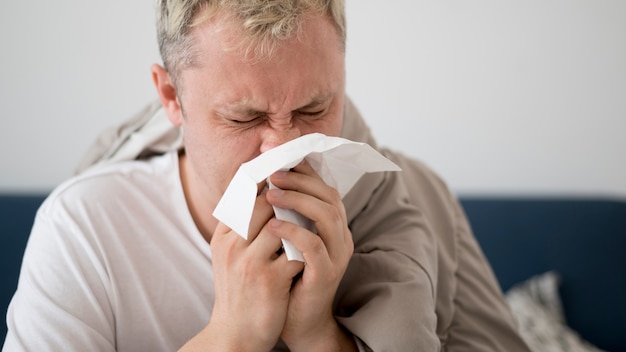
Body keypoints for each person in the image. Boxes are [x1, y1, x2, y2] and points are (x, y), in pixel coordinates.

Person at [4, 1, 531, 351]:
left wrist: (321, 335)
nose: (283, 149)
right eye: (244, 118)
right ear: (170, 97)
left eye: (316, 107)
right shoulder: (84, 229)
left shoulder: (418, 200)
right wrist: (229, 337)